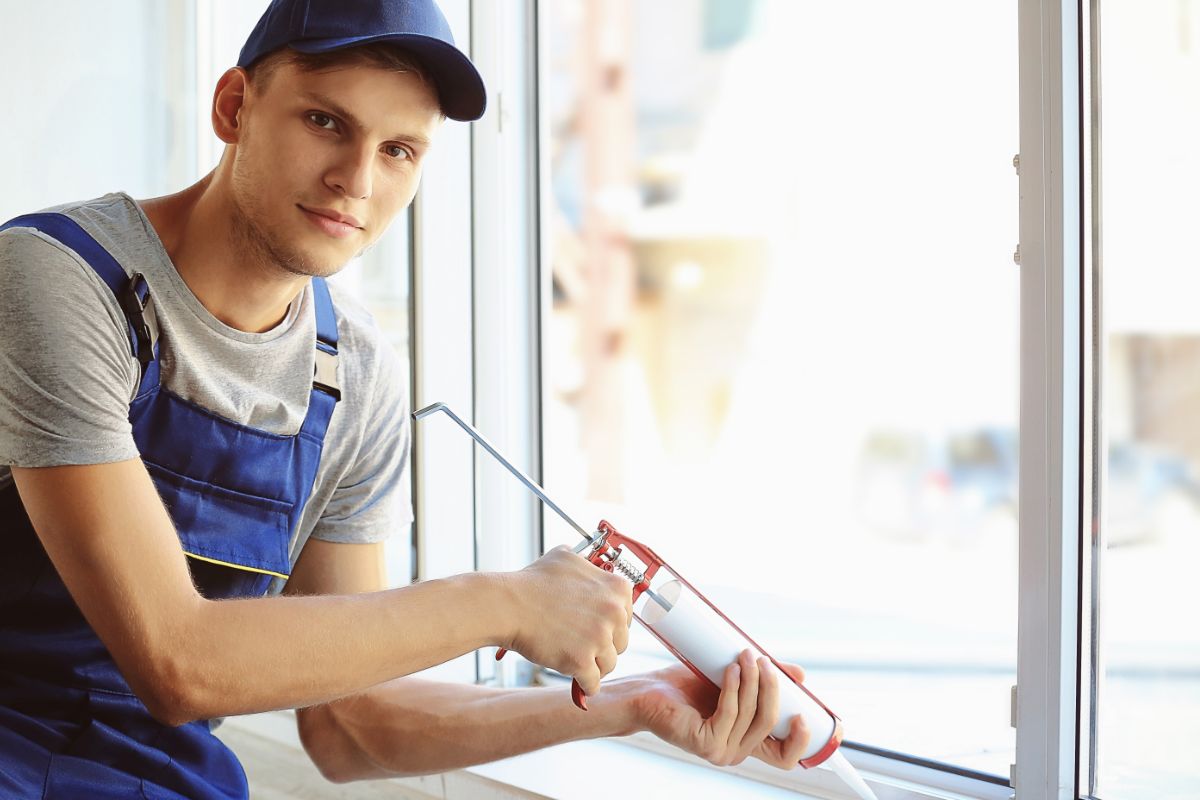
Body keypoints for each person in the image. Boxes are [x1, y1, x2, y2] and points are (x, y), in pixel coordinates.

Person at [0, 0, 811, 796]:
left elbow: (351, 726)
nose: (355, 180)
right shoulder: (56, 280)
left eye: (399, 151)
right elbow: (178, 659)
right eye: (326, 122)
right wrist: (502, 601)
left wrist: (631, 706)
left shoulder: (354, 377)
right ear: (235, 107)